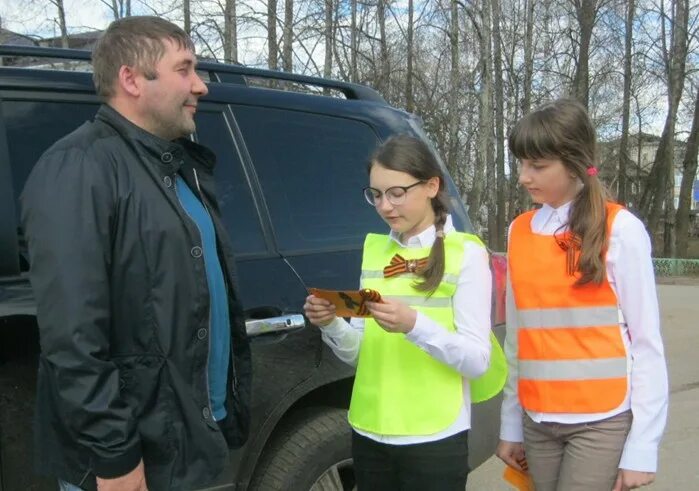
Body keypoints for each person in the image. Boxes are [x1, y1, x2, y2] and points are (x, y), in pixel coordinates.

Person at [21, 16, 251, 491]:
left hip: (190, 443)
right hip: (132, 464)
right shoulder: (79, 167)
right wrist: (116, 458)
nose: (201, 86)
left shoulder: (179, 165)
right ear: (131, 79)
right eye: (184, 69)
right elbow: (73, 336)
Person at [304, 135, 506, 490]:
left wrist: (415, 326)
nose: (385, 206)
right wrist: (331, 324)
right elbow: (361, 355)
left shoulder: (466, 254)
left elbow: (477, 361)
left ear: (431, 186)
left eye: (397, 193)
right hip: (370, 431)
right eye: (376, 195)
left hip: (434, 437)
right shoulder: (375, 252)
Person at [496, 98, 668, 491]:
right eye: (521, 163)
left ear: (575, 164)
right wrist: (511, 424)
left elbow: (646, 345)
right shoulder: (518, 231)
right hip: (537, 420)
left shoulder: (621, 229)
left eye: (537, 166)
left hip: (601, 420)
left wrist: (642, 447)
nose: (524, 176)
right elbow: (517, 340)